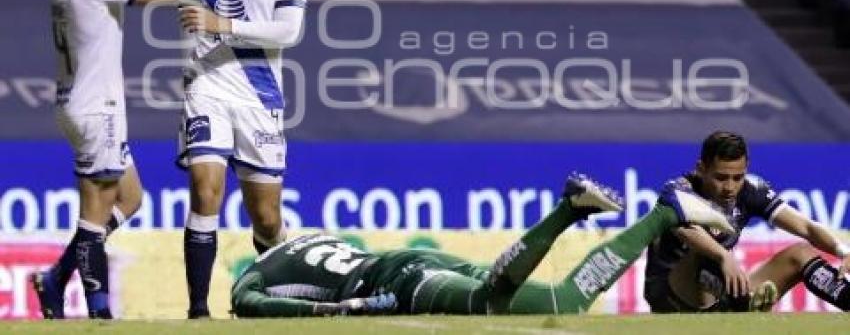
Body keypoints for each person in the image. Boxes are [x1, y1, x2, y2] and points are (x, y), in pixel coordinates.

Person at [230, 174, 734, 317]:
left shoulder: (257, 273)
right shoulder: (311, 236)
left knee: (535, 302)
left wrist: (336, 311)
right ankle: (586, 210)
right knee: (564, 300)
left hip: (405, 284)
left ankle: (658, 213)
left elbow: (251, 304)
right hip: (413, 263)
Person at [31, 0, 180, 319]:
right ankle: (100, 315)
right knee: (93, 218)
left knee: (130, 198)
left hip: (77, 103)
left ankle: (57, 277)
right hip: (99, 109)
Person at [178, 0, 306, 319]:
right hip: (208, 86)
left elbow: (289, 31)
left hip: (260, 93)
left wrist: (224, 25)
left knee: (268, 220)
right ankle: (198, 311)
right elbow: (187, 14)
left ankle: (268, 301)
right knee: (204, 188)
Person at [644, 130, 850, 313]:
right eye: (721, 177)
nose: (730, 187)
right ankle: (745, 304)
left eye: (737, 177)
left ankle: (745, 304)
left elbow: (806, 227)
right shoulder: (677, 191)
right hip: (673, 297)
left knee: (801, 254)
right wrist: (724, 256)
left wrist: (844, 252)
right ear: (701, 168)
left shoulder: (751, 190)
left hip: (722, 294)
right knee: (703, 252)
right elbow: (687, 232)